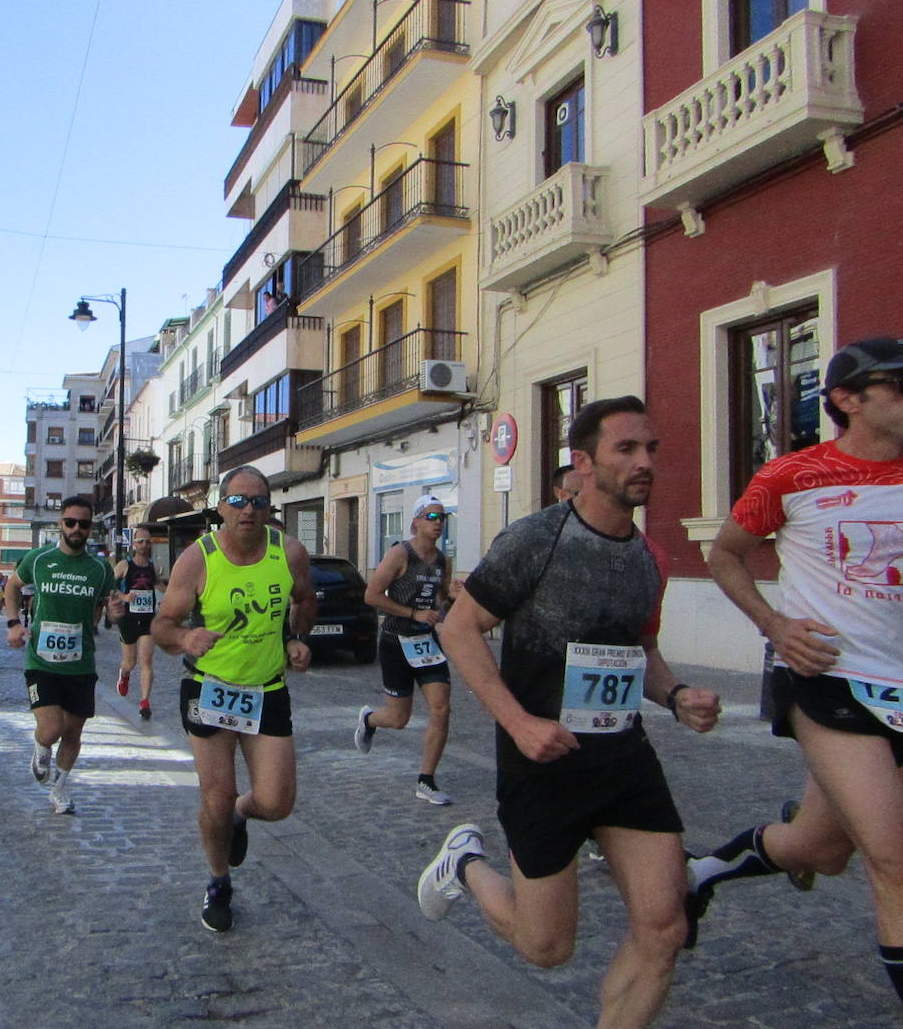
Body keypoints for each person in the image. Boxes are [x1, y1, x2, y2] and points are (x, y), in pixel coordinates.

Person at [419, 396, 722, 1029]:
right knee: (546, 947)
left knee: (665, 926)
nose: (645, 463)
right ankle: (466, 863)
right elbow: (461, 629)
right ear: (582, 463)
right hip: (543, 762)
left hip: (622, 759)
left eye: (652, 450)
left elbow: (641, 650)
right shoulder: (536, 540)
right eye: (626, 450)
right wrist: (520, 723)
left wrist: (674, 696)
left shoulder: (648, 559)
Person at [685, 336, 903, 1008]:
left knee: (821, 846)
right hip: (828, 680)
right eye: (896, 384)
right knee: (894, 856)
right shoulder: (792, 476)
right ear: (847, 399)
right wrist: (775, 626)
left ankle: (705, 871)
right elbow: (725, 554)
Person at [152, 465, 317, 932]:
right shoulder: (198, 558)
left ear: (269, 508)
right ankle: (218, 881)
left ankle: (242, 816)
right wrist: (185, 639)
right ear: (221, 507)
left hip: (266, 690)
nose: (248, 510)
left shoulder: (289, 553)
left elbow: (305, 601)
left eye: (258, 501)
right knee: (216, 797)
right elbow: (162, 626)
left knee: (276, 802)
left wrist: (296, 639)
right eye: (238, 501)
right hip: (210, 689)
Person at [5, 496, 124, 815]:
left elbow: (107, 608)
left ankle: (59, 788)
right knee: (51, 728)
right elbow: (12, 586)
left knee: (73, 731)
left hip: (81, 663)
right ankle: (41, 749)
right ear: (60, 523)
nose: (76, 528)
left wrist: (116, 611)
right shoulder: (39, 559)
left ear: (91, 528)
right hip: (41, 660)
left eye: (83, 524)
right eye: (70, 522)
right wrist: (14, 624)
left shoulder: (100, 569)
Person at [355, 494, 464, 804]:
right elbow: (372, 596)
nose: (439, 523)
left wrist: (453, 596)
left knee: (441, 707)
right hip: (396, 641)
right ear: (416, 521)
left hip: (427, 643)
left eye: (442, 517)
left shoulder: (443, 560)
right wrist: (412, 613)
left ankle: (426, 780)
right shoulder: (400, 554)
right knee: (398, 718)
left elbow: (440, 604)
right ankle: (369, 720)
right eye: (431, 517)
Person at [113, 527, 162, 719]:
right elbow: (109, 584)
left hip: (148, 618)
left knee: (147, 660)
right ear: (134, 544)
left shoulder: (152, 567)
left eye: (148, 541)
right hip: (129, 618)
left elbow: (158, 584)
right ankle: (124, 673)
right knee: (130, 662)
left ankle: (144, 702)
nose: (144, 545)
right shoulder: (124, 565)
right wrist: (124, 596)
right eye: (141, 541)